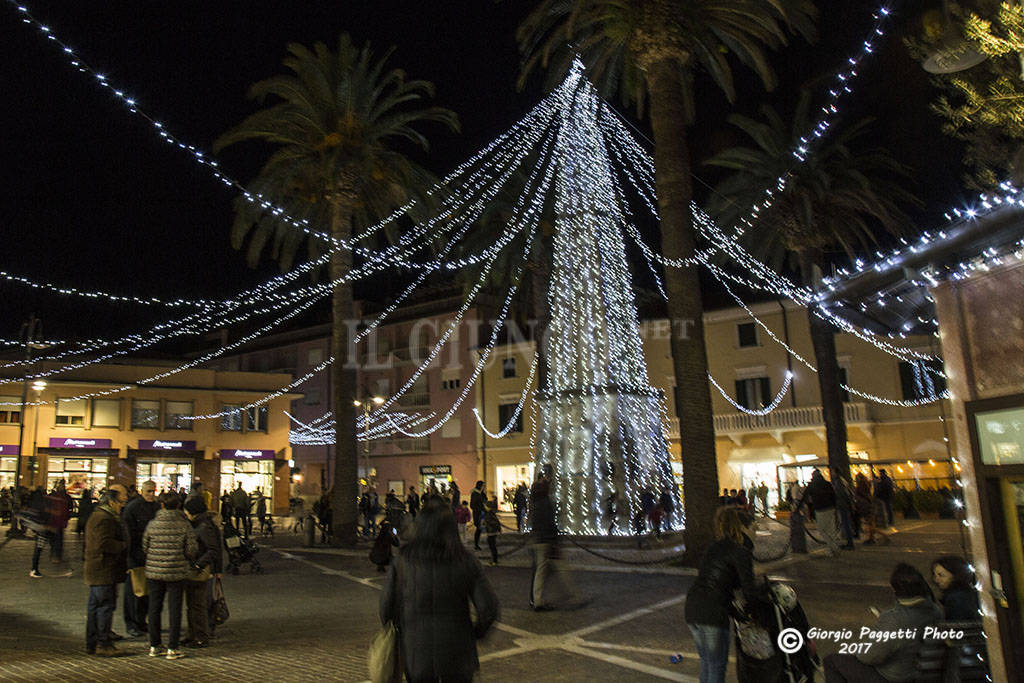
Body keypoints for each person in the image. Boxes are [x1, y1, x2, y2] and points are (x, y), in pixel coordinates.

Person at [379, 501, 498, 682]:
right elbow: (488, 608)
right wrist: (475, 633)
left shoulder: (403, 561)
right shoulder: (465, 560)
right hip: (458, 651)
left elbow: (386, 608)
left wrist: (401, 631)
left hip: (416, 651)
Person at [824, 563, 941, 682]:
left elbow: (871, 656)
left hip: (893, 677)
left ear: (895, 590)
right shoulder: (936, 611)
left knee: (832, 661)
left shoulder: (894, 619)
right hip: (919, 672)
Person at [684, 506, 763, 683]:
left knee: (707, 664)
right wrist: (757, 613)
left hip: (693, 608)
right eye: (754, 527)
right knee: (717, 666)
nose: (755, 532)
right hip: (713, 612)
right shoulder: (740, 551)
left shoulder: (715, 546)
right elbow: (748, 589)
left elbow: (716, 582)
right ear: (743, 528)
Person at [143, 492, 198, 660]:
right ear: (179, 506)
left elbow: (145, 546)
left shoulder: (152, 524)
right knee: (175, 610)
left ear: (161, 505)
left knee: (154, 608)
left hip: (154, 571)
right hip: (176, 572)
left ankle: (154, 645)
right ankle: (173, 647)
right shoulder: (184, 525)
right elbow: (191, 549)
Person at [83, 484, 128, 656]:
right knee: (104, 607)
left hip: (98, 569)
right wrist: (122, 545)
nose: (121, 506)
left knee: (96, 607)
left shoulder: (99, 516)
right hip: (103, 569)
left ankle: (92, 643)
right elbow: (103, 543)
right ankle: (103, 643)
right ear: (111, 502)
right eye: (120, 502)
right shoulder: (105, 518)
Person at [528, 475, 577, 610]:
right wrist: (554, 539)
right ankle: (572, 595)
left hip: (539, 539)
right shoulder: (545, 502)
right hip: (546, 540)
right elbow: (549, 522)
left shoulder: (534, 502)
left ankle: (537, 599)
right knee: (557, 568)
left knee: (542, 571)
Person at [183, 495, 222, 648]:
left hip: (200, 570)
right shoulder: (201, 524)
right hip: (196, 568)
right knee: (193, 604)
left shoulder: (204, 526)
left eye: (187, 512)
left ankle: (200, 635)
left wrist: (199, 565)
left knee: (198, 604)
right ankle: (192, 634)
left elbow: (213, 550)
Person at [122, 480, 159, 637]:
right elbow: (128, 534)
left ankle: (141, 621)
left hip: (150, 558)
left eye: (153, 491)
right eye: (148, 491)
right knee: (134, 593)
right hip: (136, 557)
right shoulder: (133, 508)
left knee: (146, 593)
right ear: (141, 491)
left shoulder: (156, 507)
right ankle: (132, 624)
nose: (151, 494)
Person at [799, 470, 841, 556]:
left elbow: (805, 496)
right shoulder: (827, 484)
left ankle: (833, 547)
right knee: (831, 529)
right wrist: (835, 507)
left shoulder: (812, 485)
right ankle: (833, 548)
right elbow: (834, 496)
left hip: (820, 509)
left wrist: (798, 508)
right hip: (830, 508)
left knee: (822, 530)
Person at [930, 556, 981, 621]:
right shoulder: (969, 593)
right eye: (935, 575)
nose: (936, 580)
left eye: (941, 575)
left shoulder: (956, 599)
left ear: (955, 575)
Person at [831, 468, 856, 550]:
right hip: (845, 505)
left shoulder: (839, 482)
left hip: (843, 505)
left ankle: (850, 543)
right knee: (846, 523)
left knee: (846, 524)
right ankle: (849, 541)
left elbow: (842, 494)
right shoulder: (842, 481)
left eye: (833, 471)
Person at [483, 497, 501, 566]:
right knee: (492, 546)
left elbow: (491, 522)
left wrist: (487, 524)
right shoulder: (491, 513)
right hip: (492, 532)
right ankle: (494, 559)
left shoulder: (489, 514)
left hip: (491, 532)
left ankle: (494, 560)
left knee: (492, 546)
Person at [469, 480, 485, 551]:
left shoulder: (480, 493)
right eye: (483, 486)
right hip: (478, 514)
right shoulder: (475, 494)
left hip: (481, 513)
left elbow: (485, 500)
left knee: (480, 529)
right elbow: (472, 505)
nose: (484, 487)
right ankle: (476, 544)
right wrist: (479, 509)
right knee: (478, 529)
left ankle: (477, 544)